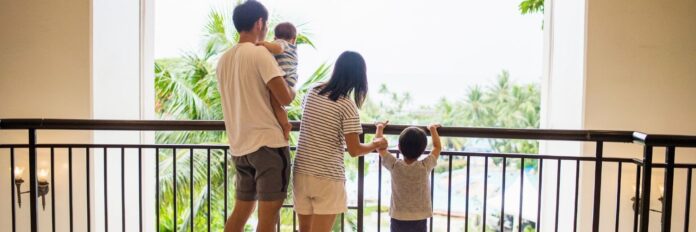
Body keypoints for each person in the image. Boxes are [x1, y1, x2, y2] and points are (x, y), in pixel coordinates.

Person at [216, 1, 295, 231]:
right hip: (268, 147)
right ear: (259, 23)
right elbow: (285, 97)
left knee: (240, 213)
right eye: (267, 24)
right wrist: (293, 88)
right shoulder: (259, 54)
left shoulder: (224, 60)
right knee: (268, 218)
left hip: (240, 148)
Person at [292, 51, 388, 232]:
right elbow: (354, 149)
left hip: (302, 171)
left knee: (304, 230)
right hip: (327, 177)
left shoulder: (313, 91)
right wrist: (377, 143)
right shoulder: (346, 104)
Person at [374, 121, 442, 232]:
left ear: (399, 148)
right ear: (423, 149)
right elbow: (437, 147)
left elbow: (379, 147)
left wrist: (380, 127)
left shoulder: (395, 165)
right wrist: (432, 129)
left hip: (398, 216)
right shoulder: (424, 166)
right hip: (420, 216)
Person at [257, 22, 299, 139]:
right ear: (294, 39)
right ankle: (285, 124)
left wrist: (265, 44)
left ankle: (285, 124)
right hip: (291, 80)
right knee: (279, 105)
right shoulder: (293, 47)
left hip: (284, 79)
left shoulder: (281, 43)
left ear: (275, 38)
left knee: (275, 103)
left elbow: (278, 49)